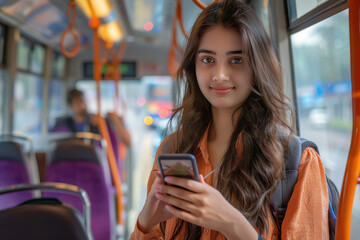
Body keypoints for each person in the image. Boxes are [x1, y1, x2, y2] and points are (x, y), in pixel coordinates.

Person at [131, 1, 329, 240]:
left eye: (236, 60)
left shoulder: (297, 162)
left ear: (257, 67)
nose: (220, 75)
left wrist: (233, 225)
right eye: (207, 60)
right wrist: (145, 221)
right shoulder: (173, 150)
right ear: (194, 67)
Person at [52, 88, 131, 147]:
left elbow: (127, 141)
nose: (82, 106)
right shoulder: (63, 125)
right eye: (78, 103)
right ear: (71, 106)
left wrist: (112, 120)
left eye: (83, 101)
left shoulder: (97, 121)